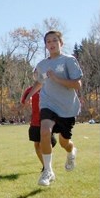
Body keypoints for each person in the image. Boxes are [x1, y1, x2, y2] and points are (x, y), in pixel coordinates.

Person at [23, 30, 82, 186]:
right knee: (44, 131)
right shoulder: (42, 64)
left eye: (54, 40)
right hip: (48, 104)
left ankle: (71, 151)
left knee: (64, 142)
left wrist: (56, 78)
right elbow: (40, 82)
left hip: (67, 108)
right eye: (48, 41)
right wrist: (29, 96)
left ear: (61, 43)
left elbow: (77, 84)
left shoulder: (69, 60)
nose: (51, 44)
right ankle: (48, 171)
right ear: (46, 45)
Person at [20, 70, 58, 172]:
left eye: (39, 73)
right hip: (35, 121)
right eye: (35, 74)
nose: (37, 75)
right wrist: (26, 102)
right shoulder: (30, 90)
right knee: (37, 145)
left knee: (44, 143)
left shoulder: (49, 88)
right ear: (34, 76)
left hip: (48, 119)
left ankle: (48, 166)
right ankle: (45, 166)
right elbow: (23, 102)